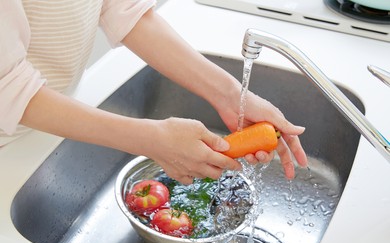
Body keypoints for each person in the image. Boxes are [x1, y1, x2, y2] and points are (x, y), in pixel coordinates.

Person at [0, 0, 307, 185]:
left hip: (49, 122)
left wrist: (231, 96)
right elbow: (7, 86)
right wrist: (152, 140)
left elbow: (121, 8)